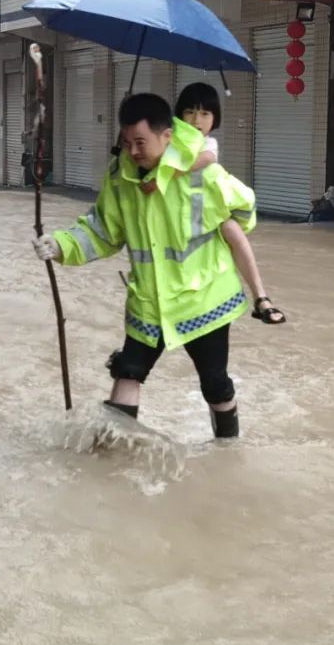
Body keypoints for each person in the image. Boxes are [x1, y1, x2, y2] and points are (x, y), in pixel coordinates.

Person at [31, 93, 257, 439]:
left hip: (205, 297)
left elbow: (244, 207)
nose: (134, 151)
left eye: (141, 142)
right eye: (127, 142)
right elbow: (103, 230)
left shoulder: (201, 174)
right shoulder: (120, 179)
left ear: (166, 136)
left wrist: (226, 228)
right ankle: (110, 458)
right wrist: (61, 245)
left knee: (215, 384)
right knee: (128, 371)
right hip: (149, 302)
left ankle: (227, 454)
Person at [176, 82, 285, 324]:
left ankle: (260, 297)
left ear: (214, 119)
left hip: (206, 214)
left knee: (232, 230)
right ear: (179, 114)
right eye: (190, 111)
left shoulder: (208, 144)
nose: (197, 119)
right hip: (176, 217)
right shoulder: (166, 139)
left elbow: (206, 159)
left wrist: (174, 168)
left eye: (205, 113)